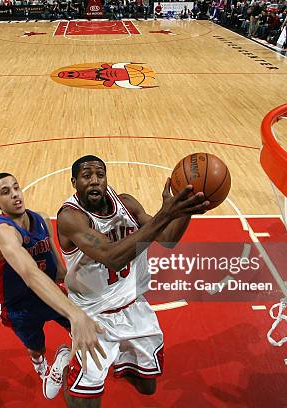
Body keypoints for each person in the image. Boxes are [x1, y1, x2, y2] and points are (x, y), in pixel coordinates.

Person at [57, 155, 209, 404]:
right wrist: (164, 214)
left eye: (100, 175)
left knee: (146, 386)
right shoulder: (70, 217)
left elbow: (168, 239)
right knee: (86, 400)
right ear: (74, 182)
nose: (94, 181)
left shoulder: (126, 204)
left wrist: (184, 210)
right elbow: (112, 257)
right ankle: (65, 363)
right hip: (93, 316)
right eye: (86, 176)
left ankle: (116, 356)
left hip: (132, 306)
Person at [0, 172, 106, 400]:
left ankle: (63, 360)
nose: (15, 195)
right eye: (5, 192)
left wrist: (84, 290)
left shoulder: (41, 219)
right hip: (19, 307)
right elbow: (30, 274)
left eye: (16, 188)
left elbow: (56, 265)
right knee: (36, 347)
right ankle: (40, 363)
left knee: (87, 333)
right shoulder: (3, 233)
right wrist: (75, 313)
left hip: (50, 293)